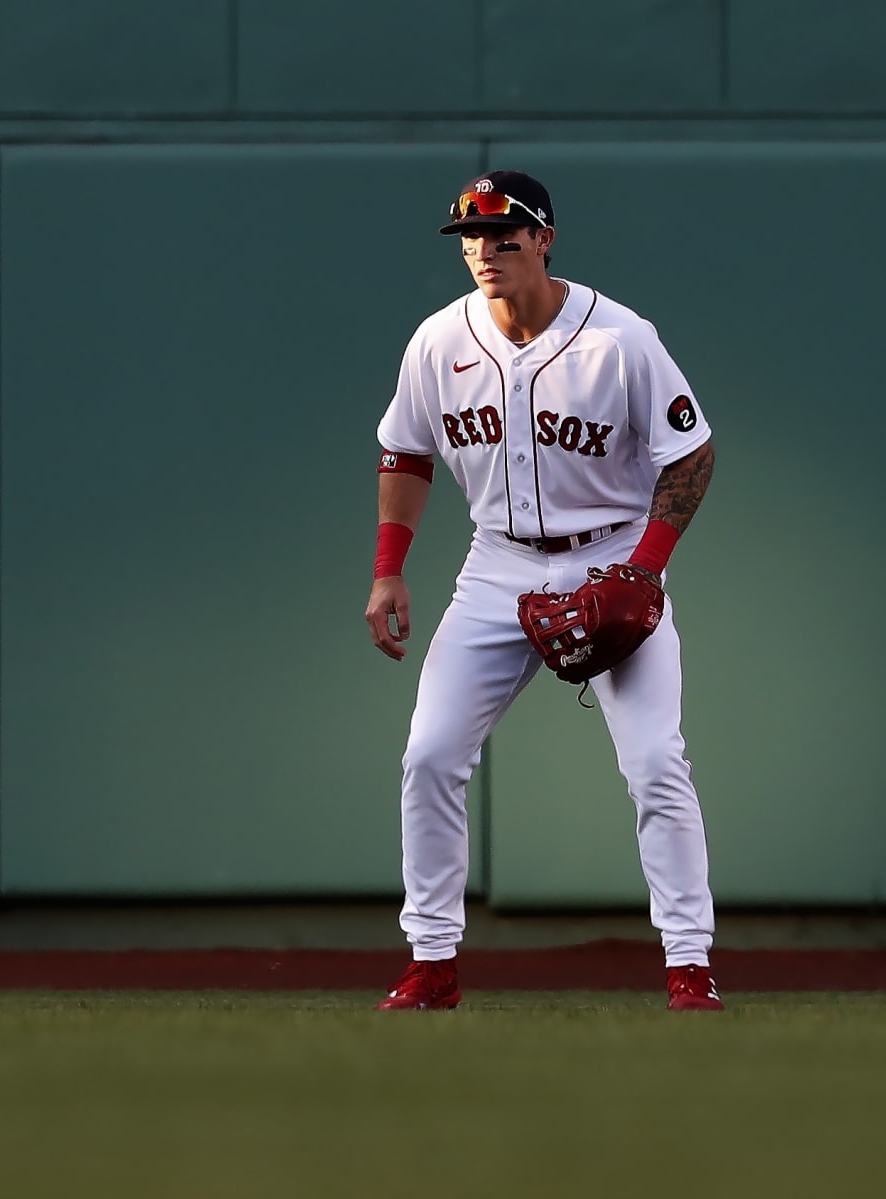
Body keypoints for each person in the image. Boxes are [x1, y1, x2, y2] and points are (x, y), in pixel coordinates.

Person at [365, 170, 722, 1012]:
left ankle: (689, 965)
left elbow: (692, 453)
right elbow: (405, 453)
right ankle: (432, 963)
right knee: (429, 754)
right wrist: (389, 567)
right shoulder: (436, 342)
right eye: (471, 236)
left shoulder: (621, 339)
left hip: (613, 555)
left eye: (504, 232)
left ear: (545, 238)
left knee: (654, 762)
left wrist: (646, 566)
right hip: (496, 566)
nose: (485, 249)